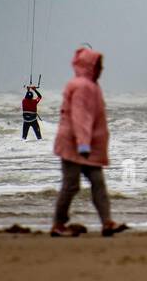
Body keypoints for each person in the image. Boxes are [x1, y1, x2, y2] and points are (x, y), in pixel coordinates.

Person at [51, 47, 126, 238]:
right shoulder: (83, 86)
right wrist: (83, 144)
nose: (102, 69)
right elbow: (80, 117)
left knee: (98, 183)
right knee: (71, 184)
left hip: (86, 145)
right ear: (89, 66)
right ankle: (58, 224)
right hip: (76, 144)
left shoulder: (90, 85)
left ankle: (107, 222)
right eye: (98, 65)